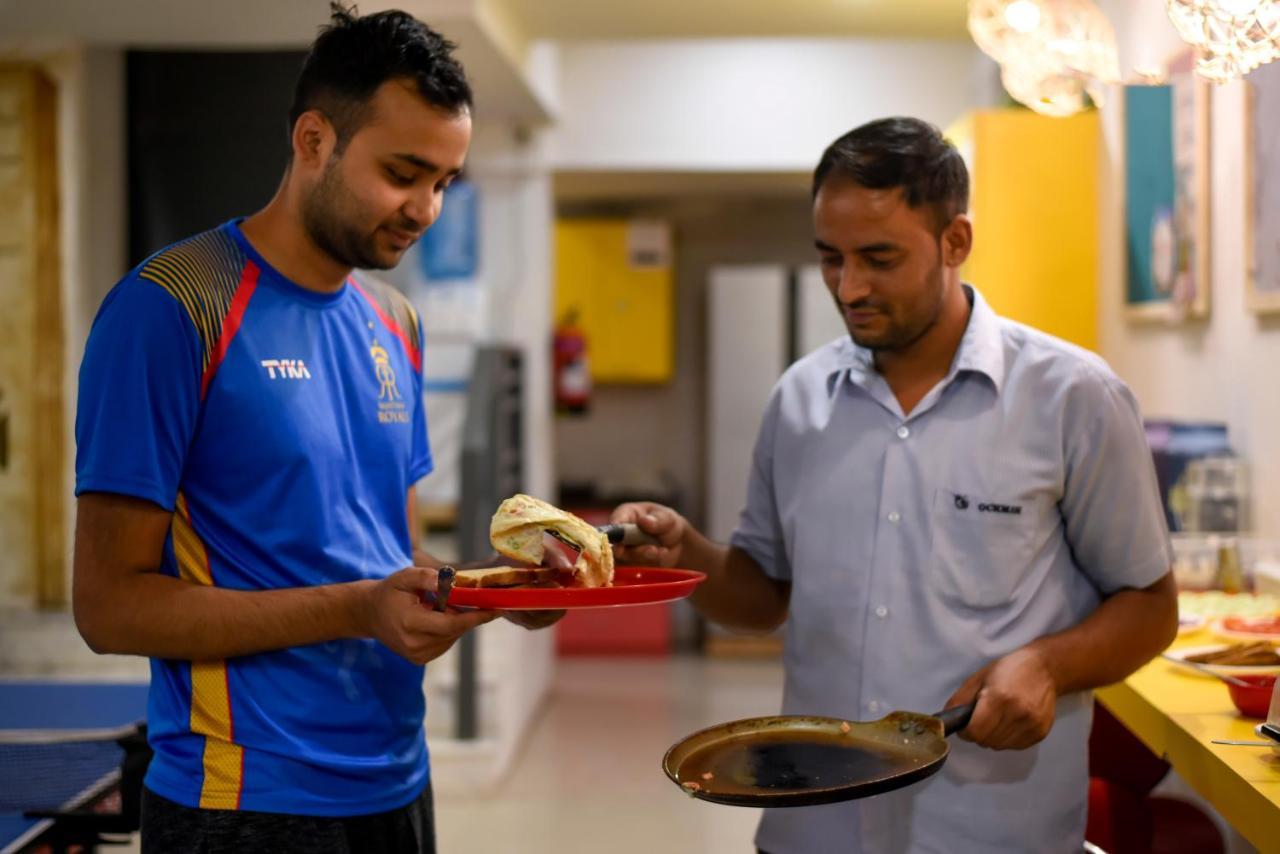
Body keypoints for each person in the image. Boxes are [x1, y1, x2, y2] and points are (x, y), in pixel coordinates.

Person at [614, 117, 1178, 854]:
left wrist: (1046, 664)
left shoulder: (1072, 398)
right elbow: (761, 594)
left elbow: (1150, 607)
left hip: (992, 829)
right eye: (829, 259)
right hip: (813, 825)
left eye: (879, 258)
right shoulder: (800, 401)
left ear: (955, 242)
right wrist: (683, 549)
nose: (850, 288)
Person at [72, 6, 543, 852]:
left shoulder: (395, 321)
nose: (426, 209)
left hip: (398, 780)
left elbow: (389, 566)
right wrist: (361, 609)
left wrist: (510, 592)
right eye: (404, 172)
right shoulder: (174, 306)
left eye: (444, 181)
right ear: (315, 140)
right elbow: (108, 606)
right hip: (243, 800)